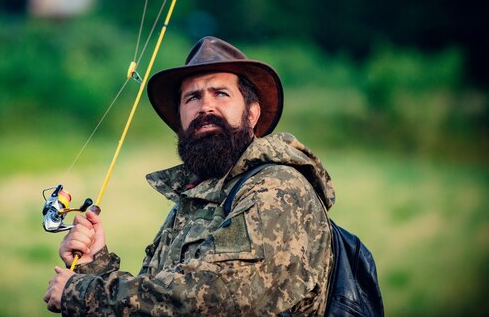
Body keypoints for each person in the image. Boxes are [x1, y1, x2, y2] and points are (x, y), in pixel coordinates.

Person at [44, 37, 336, 316]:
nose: (205, 107)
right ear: (181, 117)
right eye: (193, 98)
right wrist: (95, 265)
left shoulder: (278, 188)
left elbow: (218, 297)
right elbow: (163, 300)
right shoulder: (197, 197)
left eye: (221, 94)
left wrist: (83, 294)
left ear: (252, 113)